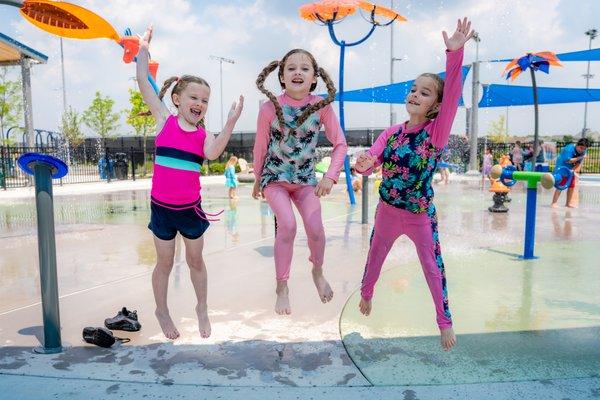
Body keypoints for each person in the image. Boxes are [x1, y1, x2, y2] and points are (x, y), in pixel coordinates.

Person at [354, 17, 475, 351]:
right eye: (412, 90)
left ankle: (445, 323)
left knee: (433, 269)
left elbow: (452, 94)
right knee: (375, 257)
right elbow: (371, 159)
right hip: (389, 212)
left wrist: (455, 54)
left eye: (424, 92)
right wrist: (363, 164)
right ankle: (366, 294)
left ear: (435, 105)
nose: (414, 95)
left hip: (420, 215)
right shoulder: (392, 134)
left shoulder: (434, 134)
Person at [136, 26, 244, 340]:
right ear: (178, 99)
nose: (199, 103)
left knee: (196, 259)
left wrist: (230, 123)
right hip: (162, 211)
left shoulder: (203, 136)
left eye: (205, 100)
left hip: (190, 210)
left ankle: (202, 307)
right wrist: (143, 48)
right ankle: (162, 310)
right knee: (165, 262)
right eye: (194, 97)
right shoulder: (163, 120)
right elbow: (143, 80)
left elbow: (213, 153)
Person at [253, 48, 348, 315]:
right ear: (281, 77)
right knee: (288, 224)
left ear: (314, 78)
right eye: (291, 68)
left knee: (316, 229)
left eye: (305, 68)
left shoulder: (322, 107)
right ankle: (281, 286)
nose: (298, 72)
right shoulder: (269, 108)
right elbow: (260, 147)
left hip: (305, 181)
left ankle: (317, 271)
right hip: (275, 179)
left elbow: (340, 144)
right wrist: (257, 179)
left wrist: (330, 176)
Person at [551, 138, 589, 208]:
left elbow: (579, 163)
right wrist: (581, 157)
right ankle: (554, 203)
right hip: (562, 168)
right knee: (560, 186)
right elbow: (568, 161)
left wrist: (573, 170)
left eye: (584, 149)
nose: (582, 150)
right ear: (577, 145)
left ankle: (568, 203)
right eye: (581, 148)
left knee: (571, 186)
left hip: (570, 170)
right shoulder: (569, 149)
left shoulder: (584, 152)